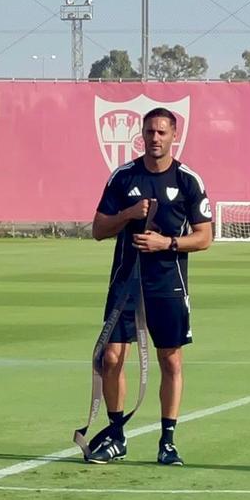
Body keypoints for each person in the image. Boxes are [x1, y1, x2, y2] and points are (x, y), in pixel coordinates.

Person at [87, 107, 213, 466]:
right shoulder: (123, 177)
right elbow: (98, 229)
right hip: (126, 282)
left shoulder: (188, 180)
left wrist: (167, 243)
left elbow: (204, 238)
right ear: (141, 136)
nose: (155, 138)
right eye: (149, 132)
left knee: (169, 359)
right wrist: (128, 214)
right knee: (111, 357)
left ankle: (167, 441)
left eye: (161, 132)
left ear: (174, 135)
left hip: (168, 284)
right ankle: (115, 436)